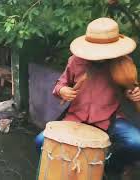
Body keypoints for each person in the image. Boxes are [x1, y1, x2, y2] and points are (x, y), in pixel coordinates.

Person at [35, 17, 140, 180]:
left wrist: (133, 95)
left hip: (110, 120)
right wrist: (62, 90)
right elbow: (58, 85)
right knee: (40, 141)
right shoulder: (75, 61)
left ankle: (106, 166)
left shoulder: (123, 65)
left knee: (136, 142)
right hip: (75, 119)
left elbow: (131, 91)